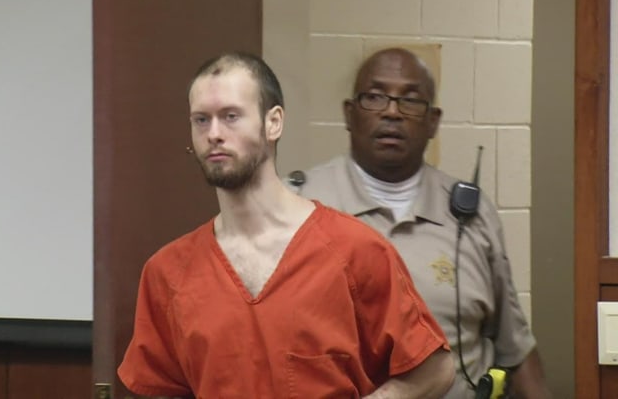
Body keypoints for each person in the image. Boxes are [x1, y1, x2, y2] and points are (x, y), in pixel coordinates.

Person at [118, 51, 455, 398]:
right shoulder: (168, 273)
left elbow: (435, 371)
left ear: (273, 123)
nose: (214, 133)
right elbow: (156, 388)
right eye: (201, 120)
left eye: (231, 116)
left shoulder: (356, 251)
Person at [288, 47, 552, 398]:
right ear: (349, 114)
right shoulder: (296, 207)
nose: (392, 112)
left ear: (433, 122)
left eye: (410, 101)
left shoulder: (471, 215)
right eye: (374, 97)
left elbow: (515, 350)